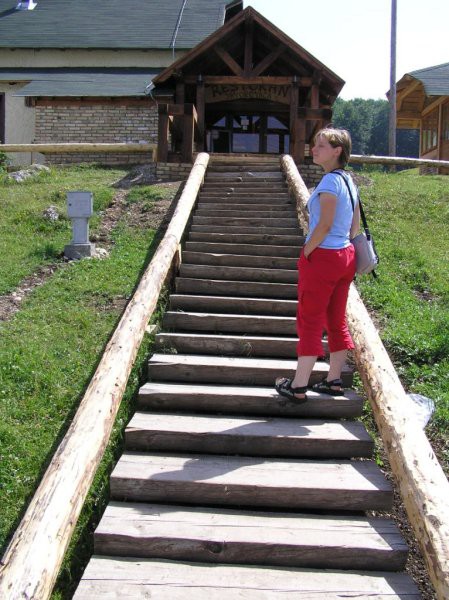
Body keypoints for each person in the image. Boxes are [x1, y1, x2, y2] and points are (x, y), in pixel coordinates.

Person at [275, 126, 360, 402]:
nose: (314, 149)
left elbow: (323, 225)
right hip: (346, 256)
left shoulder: (329, 183)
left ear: (337, 151)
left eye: (321, 145)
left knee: (310, 319)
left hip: (324, 256)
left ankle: (298, 386)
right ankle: (333, 380)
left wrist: (307, 251)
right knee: (336, 319)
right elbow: (354, 227)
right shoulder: (349, 181)